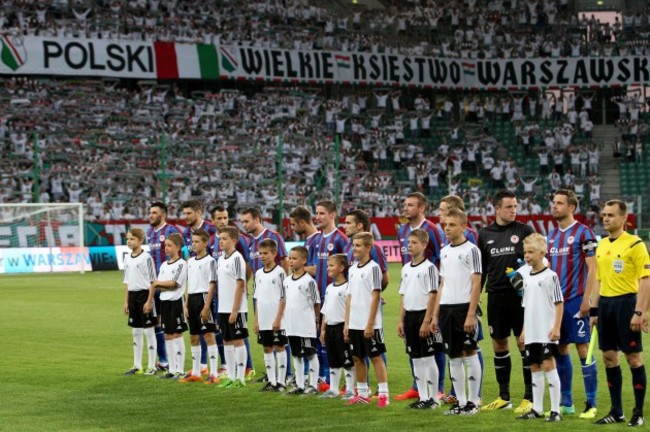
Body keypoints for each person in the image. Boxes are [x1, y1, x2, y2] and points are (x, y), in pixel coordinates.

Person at [592, 200, 650, 426]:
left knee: (633, 358)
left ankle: (638, 413)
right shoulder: (601, 244)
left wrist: (640, 311)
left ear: (623, 219)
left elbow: (646, 281)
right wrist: (594, 310)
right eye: (604, 215)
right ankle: (616, 411)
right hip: (605, 305)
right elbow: (598, 280)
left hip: (627, 304)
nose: (605, 219)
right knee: (608, 357)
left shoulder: (635, 245)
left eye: (611, 215)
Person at [478, 190, 535, 413]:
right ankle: (504, 397)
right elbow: (481, 270)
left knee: (524, 344)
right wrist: (476, 298)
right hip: (495, 296)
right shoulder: (484, 234)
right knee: (499, 343)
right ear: (497, 208)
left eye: (515, 206)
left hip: (520, 298)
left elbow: (537, 260)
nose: (514, 210)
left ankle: (529, 397)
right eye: (509, 207)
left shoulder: (524, 230)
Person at [547, 189, 598, 418]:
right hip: (555, 303)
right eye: (554, 202)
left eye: (559, 203)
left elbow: (593, 268)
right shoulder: (551, 236)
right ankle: (566, 401)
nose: (554, 206)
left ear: (571, 207)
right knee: (560, 349)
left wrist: (587, 300)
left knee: (583, 349)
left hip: (576, 301)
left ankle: (592, 402)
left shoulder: (584, 233)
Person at [396, 192, 446, 402]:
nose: (405, 208)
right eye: (405, 204)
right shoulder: (404, 230)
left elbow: (441, 260)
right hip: (411, 292)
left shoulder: (432, 230)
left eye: (410, 205)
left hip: (431, 295)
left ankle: (438, 389)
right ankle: (418, 388)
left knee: (433, 343)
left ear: (422, 207)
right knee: (414, 348)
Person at [432, 209, 482, 416]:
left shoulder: (472, 250)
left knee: (469, 353)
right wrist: (435, 314)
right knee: (453, 356)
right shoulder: (444, 251)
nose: (447, 228)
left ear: (463, 226)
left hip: (464, 309)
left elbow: (477, 281)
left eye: (452, 225)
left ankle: (473, 402)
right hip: (446, 310)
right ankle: (460, 402)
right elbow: (442, 284)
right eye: (446, 225)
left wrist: (471, 314)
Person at [515, 234, 564, 422]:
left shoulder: (551, 276)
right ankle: (537, 409)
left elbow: (559, 303)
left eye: (531, 252)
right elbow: (527, 304)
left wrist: (556, 327)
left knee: (549, 366)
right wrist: (524, 329)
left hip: (547, 330)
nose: (527, 256)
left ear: (542, 253)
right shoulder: (526, 276)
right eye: (525, 252)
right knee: (534, 367)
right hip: (532, 331)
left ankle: (555, 410)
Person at [344, 232, 389, 408]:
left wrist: (370, 323)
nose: (354, 249)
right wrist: (347, 323)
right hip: (354, 322)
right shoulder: (353, 269)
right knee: (357, 357)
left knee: (376, 357)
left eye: (358, 245)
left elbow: (376, 296)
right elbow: (349, 297)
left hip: (371, 323)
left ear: (368, 247)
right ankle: (362, 393)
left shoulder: (374, 268)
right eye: (354, 245)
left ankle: (384, 394)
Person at [398, 229, 441, 409]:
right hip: (410, 317)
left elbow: (433, 295)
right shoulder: (406, 268)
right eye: (408, 242)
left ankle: (434, 399)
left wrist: (427, 320)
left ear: (424, 245)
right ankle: (423, 397)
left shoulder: (429, 268)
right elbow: (403, 295)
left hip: (424, 315)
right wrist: (401, 320)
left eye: (414, 242)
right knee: (416, 358)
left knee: (428, 357)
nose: (410, 245)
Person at [209, 205, 254, 378]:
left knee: (238, 335)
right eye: (219, 218)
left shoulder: (238, 241)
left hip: (235, 297)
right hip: (222, 299)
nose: (223, 221)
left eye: (225, 217)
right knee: (226, 336)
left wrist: (242, 287)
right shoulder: (215, 242)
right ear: (212, 221)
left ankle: (247, 368)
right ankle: (231, 371)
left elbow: (247, 266)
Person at [310, 200, 348, 390]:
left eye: (322, 213)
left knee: (340, 339)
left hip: (337, 297)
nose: (318, 217)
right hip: (318, 297)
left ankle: (344, 381)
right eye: (317, 213)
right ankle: (324, 377)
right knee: (320, 337)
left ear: (332, 215)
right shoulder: (316, 240)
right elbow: (315, 267)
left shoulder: (340, 239)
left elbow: (347, 268)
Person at [181, 200, 217, 377]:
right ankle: (196, 372)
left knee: (209, 336)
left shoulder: (210, 261)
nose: (193, 244)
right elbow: (190, 283)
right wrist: (186, 304)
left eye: (196, 242)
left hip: (204, 298)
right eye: (192, 241)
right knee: (193, 336)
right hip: (193, 298)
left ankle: (214, 374)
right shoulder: (190, 262)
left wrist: (207, 305)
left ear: (205, 243)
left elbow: (212, 284)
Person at [146, 201, 182, 372]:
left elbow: (184, 253)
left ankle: (175, 363)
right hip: (155, 283)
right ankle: (163, 360)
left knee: (172, 325)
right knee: (155, 322)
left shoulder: (171, 231)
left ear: (163, 214)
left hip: (170, 284)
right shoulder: (149, 232)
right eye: (150, 212)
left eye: (154, 212)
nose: (151, 215)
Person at [214, 226, 249, 388]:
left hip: (237, 309)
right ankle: (232, 376)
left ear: (234, 241)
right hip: (223, 308)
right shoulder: (221, 259)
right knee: (227, 341)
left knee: (238, 340)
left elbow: (240, 285)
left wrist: (235, 310)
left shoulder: (237, 258)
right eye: (220, 238)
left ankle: (240, 378)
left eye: (225, 238)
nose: (221, 241)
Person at [284, 246, 321, 395]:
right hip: (291, 324)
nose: (290, 261)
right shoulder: (286, 281)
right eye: (289, 258)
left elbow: (316, 302)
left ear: (303, 260)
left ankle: (313, 385)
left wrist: (316, 320)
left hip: (305, 325)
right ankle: (299, 385)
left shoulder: (308, 281)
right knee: (296, 355)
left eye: (294, 258)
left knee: (311, 353)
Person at [253, 239, 288, 392]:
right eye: (260, 254)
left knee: (279, 347)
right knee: (266, 348)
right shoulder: (258, 273)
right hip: (263, 319)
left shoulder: (280, 272)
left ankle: (281, 382)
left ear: (274, 254)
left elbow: (283, 297)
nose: (262, 256)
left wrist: (278, 318)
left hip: (276, 319)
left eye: (266, 253)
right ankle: (272, 381)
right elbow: (257, 297)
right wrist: (256, 320)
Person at [151, 232, 187, 379]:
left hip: (176, 302)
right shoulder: (164, 265)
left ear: (177, 247)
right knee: (167, 336)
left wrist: (158, 284)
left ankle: (180, 370)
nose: (166, 248)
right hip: (165, 302)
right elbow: (161, 286)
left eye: (169, 245)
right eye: (165, 245)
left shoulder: (182, 264)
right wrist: (160, 284)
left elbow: (173, 284)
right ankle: (172, 369)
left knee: (177, 335)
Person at [319, 254, 356, 399]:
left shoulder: (347, 287)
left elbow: (350, 308)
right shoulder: (329, 288)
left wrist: (347, 327)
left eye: (331, 265)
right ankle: (333, 389)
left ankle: (350, 390)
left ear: (341, 268)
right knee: (333, 360)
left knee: (347, 360)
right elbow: (325, 310)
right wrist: (323, 329)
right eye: (328, 265)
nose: (328, 268)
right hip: (330, 327)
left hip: (342, 327)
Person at [122, 228, 157, 376]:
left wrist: (149, 301)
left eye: (132, 239)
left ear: (140, 241)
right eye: (128, 239)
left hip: (145, 296)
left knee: (149, 331)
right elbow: (127, 281)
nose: (129, 241)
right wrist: (126, 302)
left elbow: (153, 281)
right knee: (135, 331)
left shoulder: (146, 258)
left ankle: (151, 365)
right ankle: (137, 365)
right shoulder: (127, 257)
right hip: (132, 297)